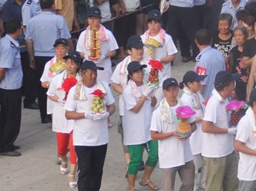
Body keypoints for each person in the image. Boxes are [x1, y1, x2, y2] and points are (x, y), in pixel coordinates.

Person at [64, 60, 117, 191]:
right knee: (85, 170)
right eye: (90, 73)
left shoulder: (103, 86)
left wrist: (106, 114)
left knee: (97, 171)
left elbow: (112, 106)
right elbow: (68, 114)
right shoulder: (75, 91)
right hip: (83, 139)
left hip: (101, 138)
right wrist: (85, 115)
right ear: (82, 74)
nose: (93, 76)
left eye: (95, 73)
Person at [153, 77, 197, 191]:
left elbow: (194, 125)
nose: (172, 92)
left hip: (185, 154)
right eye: (169, 90)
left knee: (189, 184)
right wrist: (172, 134)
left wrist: (188, 132)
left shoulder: (184, 106)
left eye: (174, 89)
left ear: (178, 89)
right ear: (164, 92)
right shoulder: (158, 112)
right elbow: (154, 135)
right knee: (168, 188)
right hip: (169, 157)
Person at [122, 61, 158, 191]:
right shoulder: (127, 91)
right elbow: (136, 109)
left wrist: (151, 92)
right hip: (135, 130)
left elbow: (153, 103)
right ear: (131, 75)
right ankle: (131, 186)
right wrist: (144, 94)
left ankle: (145, 178)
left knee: (154, 155)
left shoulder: (146, 85)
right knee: (136, 161)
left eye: (141, 71)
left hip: (148, 127)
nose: (140, 74)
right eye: (137, 72)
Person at [201, 71, 239, 191]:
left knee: (233, 186)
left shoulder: (225, 99)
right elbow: (206, 127)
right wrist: (228, 131)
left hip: (228, 151)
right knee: (214, 188)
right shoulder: (214, 103)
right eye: (233, 83)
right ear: (227, 87)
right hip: (216, 156)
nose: (234, 86)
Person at [0, 17, 24, 156]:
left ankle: (5, 141)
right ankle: (6, 146)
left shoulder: (8, 42)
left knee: (7, 116)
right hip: (9, 87)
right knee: (11, 117)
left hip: (11, 86)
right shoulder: (8, 47)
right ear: (17, 30)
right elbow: (3, 68)